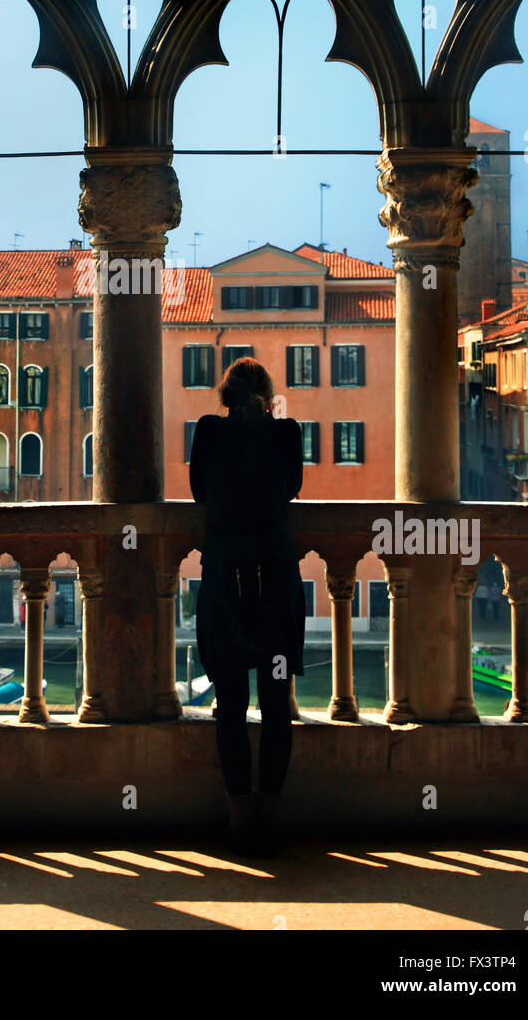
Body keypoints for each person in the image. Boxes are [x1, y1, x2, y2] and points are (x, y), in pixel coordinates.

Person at [189, 357, 305, 854]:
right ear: (266, 393)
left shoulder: (209, 433)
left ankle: (240, 815)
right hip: (276, 579)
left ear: (225, 394)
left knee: (230, 705)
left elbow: (198, 493)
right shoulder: (287, 434)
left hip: (226, 582)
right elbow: (294, 487)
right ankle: (272, 814)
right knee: (277, 705)